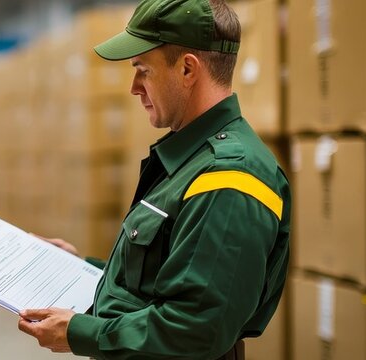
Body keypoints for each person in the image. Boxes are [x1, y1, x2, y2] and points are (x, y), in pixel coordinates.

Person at [16, 0, 291, 358]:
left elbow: (195, 330)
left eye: (143, 69)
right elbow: (161, 278)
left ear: (188, 70)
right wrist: (76, 267)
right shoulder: (190, 161)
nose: (134, 87)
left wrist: (80, 332)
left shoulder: (229, 178)